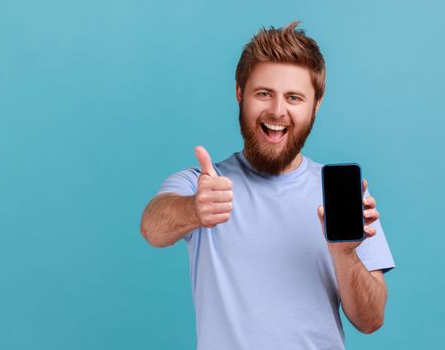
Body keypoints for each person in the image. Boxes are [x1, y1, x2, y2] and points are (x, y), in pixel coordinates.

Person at [140, 20, 395, 350]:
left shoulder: (344, 197)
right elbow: (152, 228)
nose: (277, 111)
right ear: (239, 94)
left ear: (316, 105)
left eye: (294, 97)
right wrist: (194, 209)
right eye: (264, 94)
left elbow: (371, 320)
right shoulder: (204, 185)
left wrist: (345, 253)